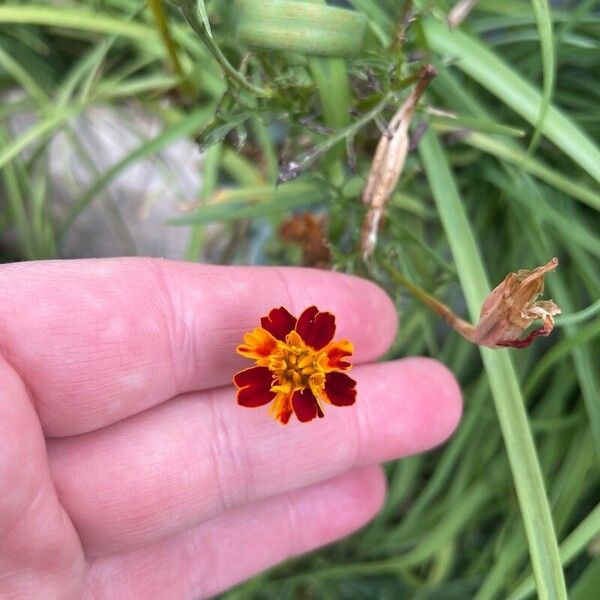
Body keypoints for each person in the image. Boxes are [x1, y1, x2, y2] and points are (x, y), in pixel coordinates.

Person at [0, 258, 462, 598]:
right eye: (299, 363)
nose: (302, 366)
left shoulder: (312, 375)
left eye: (305, 364)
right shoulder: (274, 358)